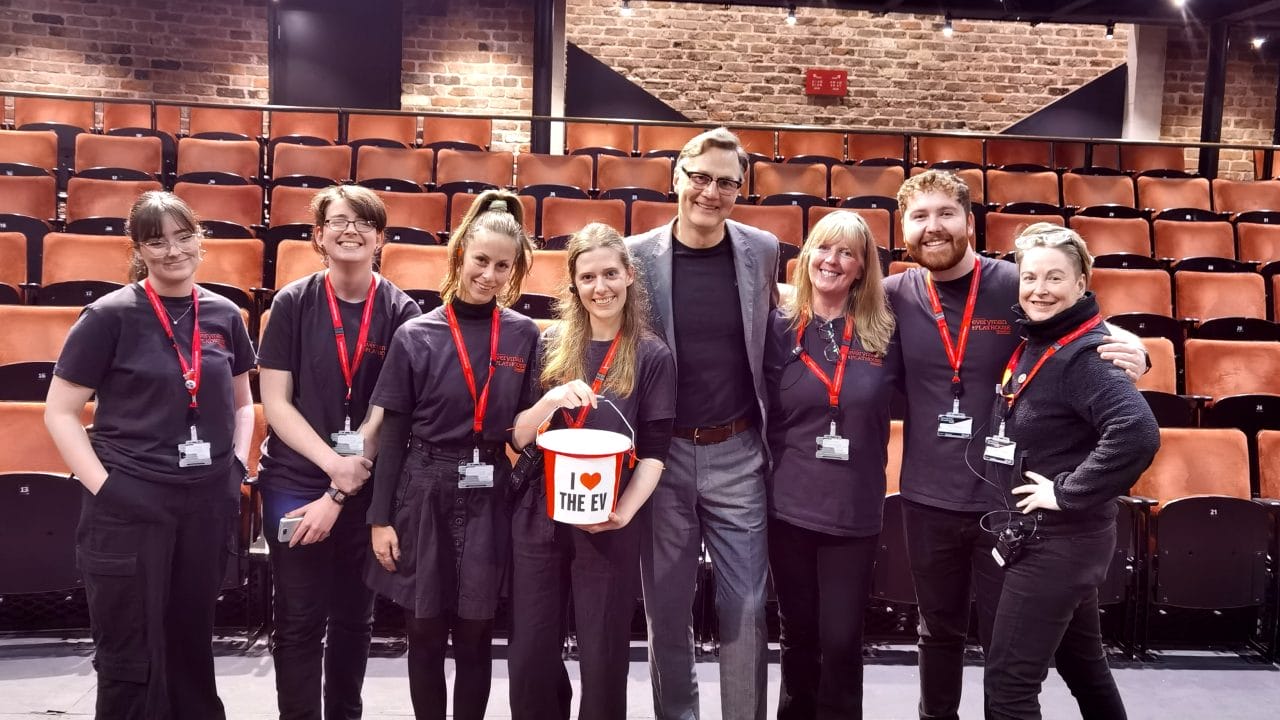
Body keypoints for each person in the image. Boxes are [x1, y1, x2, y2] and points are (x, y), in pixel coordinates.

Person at [884, 170, 1150, 720]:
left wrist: (1137, 351)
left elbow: (1082, 321)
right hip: (927, 497)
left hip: (1008, 505)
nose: (934, 228)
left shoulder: (1015, 281)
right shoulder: (892, 294)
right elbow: (821, 297)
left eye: (946, 214)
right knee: (937, 632)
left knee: (1006, 655)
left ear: (970, 222)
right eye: (919, 216)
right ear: (903, 229)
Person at [44, 191, 256, 719]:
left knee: (191, 645)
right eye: (157, 241)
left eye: (184, 237)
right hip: (129, 503)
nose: (173, 251)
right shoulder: (108, 315)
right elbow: (60, 412)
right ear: (140, 248)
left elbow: (244, 403)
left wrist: (234, 466)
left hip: (205, 503)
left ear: (200, 240)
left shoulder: (226, 314)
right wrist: (108, 488)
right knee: (129, 654)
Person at [364, 189, 539, 720]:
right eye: (480, 260)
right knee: (423, 627)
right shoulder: (416, 334)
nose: (489, 274)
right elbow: (392, 435)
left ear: (515, 271)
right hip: (424, 483)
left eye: (502, 266)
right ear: (461, 254)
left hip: (490, 487)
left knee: (476, 629)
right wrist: (379, 519)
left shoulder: (525, 334)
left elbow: (525, 428)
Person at [627, 127, 780, 720]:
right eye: (701, 177)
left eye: (726, 182)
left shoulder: (762, 249)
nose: (711, 192)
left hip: (738, 449)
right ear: (676, 178)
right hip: (661, 458)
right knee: (667, 607)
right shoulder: (635, 255)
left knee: (746, 605)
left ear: (739, 190)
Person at [256, 185, 421, 720]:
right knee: (299, 620)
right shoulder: (292, 303)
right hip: (294, 479)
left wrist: (345, 484)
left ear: (380, 237)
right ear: (318, 235)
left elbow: (388, 411)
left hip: (366, 485)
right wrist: (332, 470)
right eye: (338, 221)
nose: (350, 230)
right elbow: (276, 402)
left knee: (356, 619)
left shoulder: (401, 310)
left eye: (363, 222)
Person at [982, 223, 1159, 719]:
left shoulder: (1084, 354)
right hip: (1062, 541)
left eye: (1055, 278)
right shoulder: (1040, 338)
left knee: (1009, 686)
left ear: (1082, 283)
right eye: (1031, 277)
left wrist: (1067, 492)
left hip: (1056, 543)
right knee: (1084, 666)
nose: (1040, 289)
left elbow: (1136, 432)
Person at [507, 223, 676, 720]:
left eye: (609, 274)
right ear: (574, 284)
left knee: (603, 657)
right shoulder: (549, 343)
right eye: (587, 277)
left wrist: (623, 514)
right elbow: (516, 436)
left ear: (629, 276)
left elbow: (656, 452)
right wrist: (553, 398)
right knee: (531, 652)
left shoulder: (650, 354)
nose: (599, 287)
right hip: (540, 513)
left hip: (608, 516)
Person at [764, 211, 900, 720]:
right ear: (807, 258)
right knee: (797, 636)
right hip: (788, 507)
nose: (832, 261)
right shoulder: (775, 328)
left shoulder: (887, 331)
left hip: (853, 511)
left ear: (863, 266)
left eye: (847, 252)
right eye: (824, 248)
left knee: (842, 640)